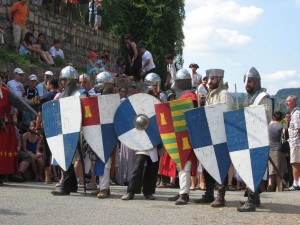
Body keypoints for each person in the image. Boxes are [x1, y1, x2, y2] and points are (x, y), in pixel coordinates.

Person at [194, 69, 233, 208]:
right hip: (210, 135)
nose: (210, 81)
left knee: (221, 166)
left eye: (213, 79)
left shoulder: (225, 95)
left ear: (220, 80)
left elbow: (225, 115)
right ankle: (209, 193)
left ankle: (220, 196)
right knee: (208, 164)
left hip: (221, 136)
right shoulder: (210, 95)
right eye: (209, 79)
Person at [237, 67, 273, 212]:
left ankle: (252, 200)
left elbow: (266, 117)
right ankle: (255, 197)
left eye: (250, 81)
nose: (247, 84)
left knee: (255, 168)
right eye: (246, 81)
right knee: (249, 168)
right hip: (249, 137)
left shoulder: (263, 97)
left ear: (257, 82)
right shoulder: (249, 98)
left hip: (259, 139)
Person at [51, 66, 87, 195]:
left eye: (63, 80)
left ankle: (65, 188)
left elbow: (85, 113)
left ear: (70, 80)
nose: (61, 83)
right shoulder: (63, 95)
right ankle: (72, 185)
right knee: (67, 158)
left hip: (77, 130)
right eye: (61, 80)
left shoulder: (80, 94)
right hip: (65, 129)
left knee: (67, 157)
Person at [0, 76, 18, 185]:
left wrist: (33, 102)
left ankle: (2, 175)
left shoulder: (6, 92)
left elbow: (19, 103)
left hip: (3, 126)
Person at [268, 111, 287, 192]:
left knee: (271, 169)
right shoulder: (282, 126)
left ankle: (270, 186)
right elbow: (284, 137)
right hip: (278, 149)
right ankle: (278, 188)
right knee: (279, 169)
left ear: (274, 117)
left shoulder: (269, 126)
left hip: (270, 149)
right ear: (281, 118)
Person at [286, 95, 300, 191]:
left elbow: (298, 128)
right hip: (295, 142)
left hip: (296, 142)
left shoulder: (295, 114)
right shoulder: (295, 113)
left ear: (294, 102)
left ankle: (295, 183)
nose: (286, 103)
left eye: (288, 101)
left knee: (295, 163)